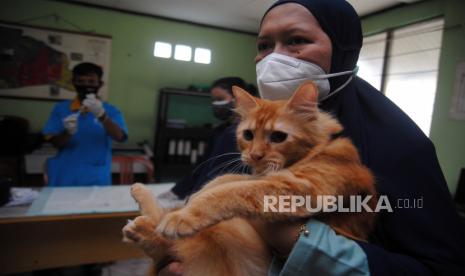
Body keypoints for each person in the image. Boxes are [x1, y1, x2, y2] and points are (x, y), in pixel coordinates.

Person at [159, 0, 465, 275]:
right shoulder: (241, 135)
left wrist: (298, 239)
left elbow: (442, 267)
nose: (274, 59)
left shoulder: (400, 147)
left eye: (296, 41)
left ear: (343, 50)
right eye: (264, 45)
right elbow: (196, 213)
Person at [159, 77, 257, 201]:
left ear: (238, 99)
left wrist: (199, 197)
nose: (215, 104)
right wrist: (178, 190)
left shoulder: (243, 133)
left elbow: (223, 173)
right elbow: (202, 165)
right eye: (213, 100)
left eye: (220, 99)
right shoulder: (219, 131)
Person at [42, 62, 128, 186]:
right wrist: (67, 132)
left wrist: (102, 116)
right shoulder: (61, 109)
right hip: (65, 175)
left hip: (96, 176)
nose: (86, 85)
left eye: (91, 81)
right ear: (73, 83)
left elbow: (120, 137)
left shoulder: (111, 110)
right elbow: (55, 143)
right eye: (81, 81)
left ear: (100, 84)